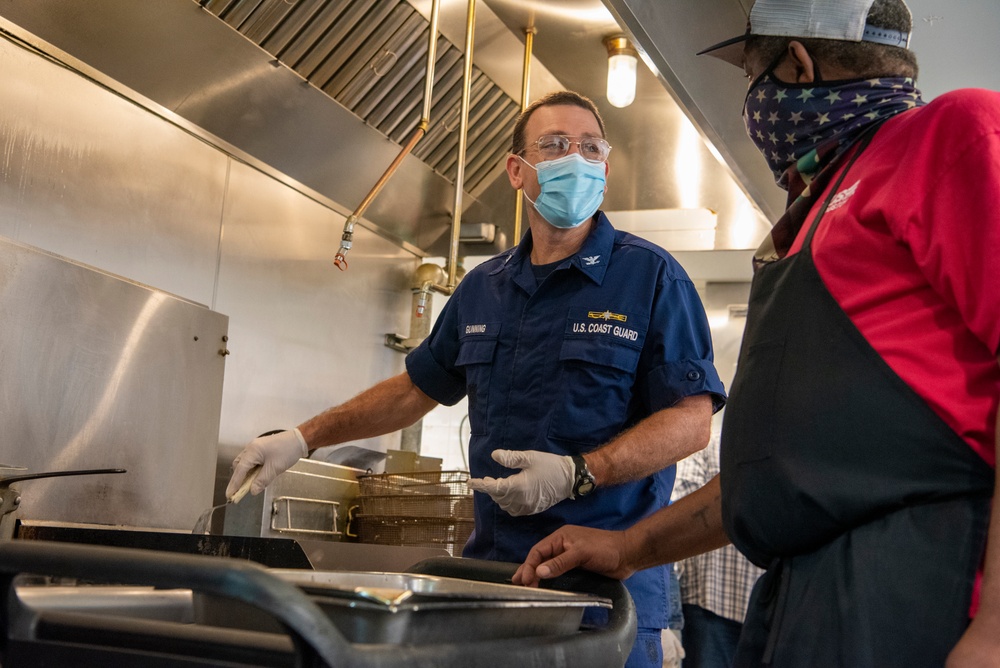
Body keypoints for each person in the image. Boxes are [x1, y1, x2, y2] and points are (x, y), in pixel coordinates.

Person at [511, 2, 1000, 667]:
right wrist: (630, 549)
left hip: (914, 581)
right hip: (803, 593)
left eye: (754, 76)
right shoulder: (814, 210)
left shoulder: (949, 132)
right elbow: (781, 471)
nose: (755, 103)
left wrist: (996, 629)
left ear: (797, 63)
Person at [226, 90, 727, 667]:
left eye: (591, 148)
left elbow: (690, 423)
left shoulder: (653, 278)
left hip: (603, 593)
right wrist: (302, 437)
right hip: (490, 582)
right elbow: (416, 389)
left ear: (606, 169)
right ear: (518, 170)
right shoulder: (483, 288)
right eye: (556, 145)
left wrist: (579, 473)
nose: (577, 160)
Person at [672, 434, 763, 667]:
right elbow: (676, 513)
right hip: (712, 607)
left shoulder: (714, 447)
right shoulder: (709, 446)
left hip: (749, 608)